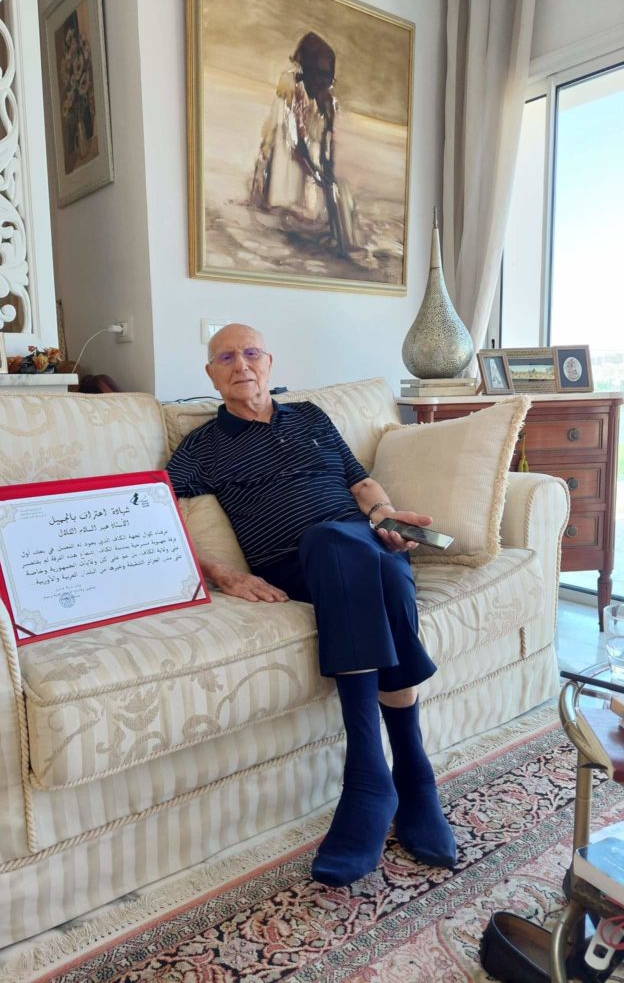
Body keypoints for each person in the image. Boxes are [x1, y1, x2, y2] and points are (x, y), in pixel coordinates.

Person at [165, 324, 456, 887]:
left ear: (269, 363)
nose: (241, 365)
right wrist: (220, 573)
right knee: (332, 542)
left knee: (380, 566)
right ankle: (409, 776)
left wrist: (385, 518)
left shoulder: (312, 418)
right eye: (226, 357)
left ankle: (376, 783)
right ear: (210, 374)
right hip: (296, 563)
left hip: (368, 547)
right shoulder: (201, 446)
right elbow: (156, 511)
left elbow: (360, 484)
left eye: (251, 353)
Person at [249, 32, 356, 258]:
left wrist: (327, 171)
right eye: (319, 75)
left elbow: (329, 145)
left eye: (328, 77)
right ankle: (278, 201)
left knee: (329, 190)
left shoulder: (327, 100)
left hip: (303, 150)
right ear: (306, 71)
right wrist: (316, 174)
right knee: (291, 189)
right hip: (284, 150)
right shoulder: (289, 93)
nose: (324, 83)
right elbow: (293, 142)